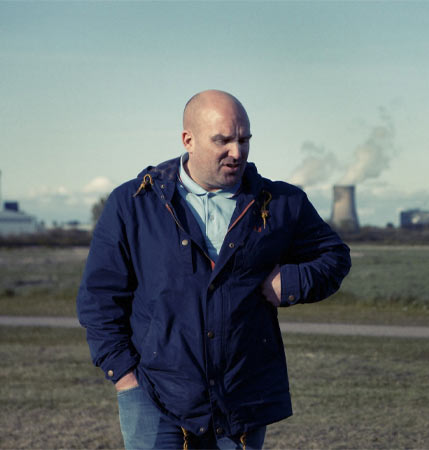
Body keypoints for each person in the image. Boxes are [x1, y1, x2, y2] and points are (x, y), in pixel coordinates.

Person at [77, 90, 351, 449]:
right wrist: (125, 377)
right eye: (222, 140)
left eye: (244, 140)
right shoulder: (133, 203)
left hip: (242, 399)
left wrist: (292, 282)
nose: (237, 152)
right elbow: (99, 298)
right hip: (154, 397)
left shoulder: (280, 204)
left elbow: (334, 257)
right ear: (188, 140)